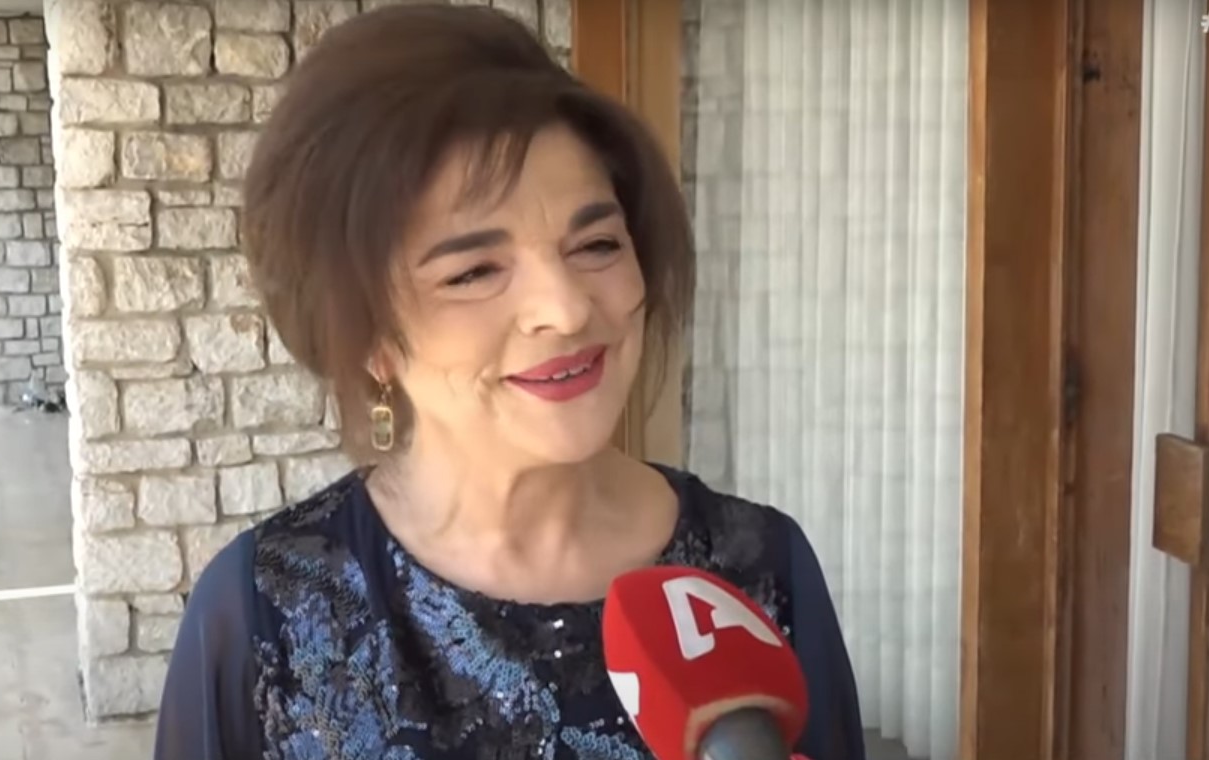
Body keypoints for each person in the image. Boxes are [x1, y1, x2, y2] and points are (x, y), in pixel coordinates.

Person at [152, 5, 864, 759]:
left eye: (596, 244)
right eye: (473, 272)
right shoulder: (261, 615)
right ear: (367, 339)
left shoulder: (760, 572)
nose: (566, 308)